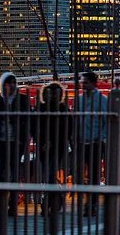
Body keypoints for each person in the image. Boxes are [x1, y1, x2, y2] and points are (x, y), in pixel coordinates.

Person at [0, 72, 31, 219]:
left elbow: (28, 120)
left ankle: (12, 206)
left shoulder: (23, 100)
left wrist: (25, 138)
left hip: (16, 141)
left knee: (14, 173)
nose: (12, 85)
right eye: (9, 82)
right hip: (1, 140)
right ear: (3, 84)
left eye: (14, 82)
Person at [34, 81, 71, 218]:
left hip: (56, 147)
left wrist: (49, 141)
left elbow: (66, 129)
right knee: (48, 174)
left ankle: (47, 204)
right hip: (45, 147)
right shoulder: (43, 109)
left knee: (48, 175)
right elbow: (35, 127)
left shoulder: (62, 109)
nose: (53, 97)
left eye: (55, 95)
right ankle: (57, 198)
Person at [76, 71, 107, 217]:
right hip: (81, 141)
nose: (83, 85)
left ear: (93, 83)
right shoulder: (79, 100)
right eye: (82, 82)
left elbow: (107, 122)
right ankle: (88, 202)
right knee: (83, 174)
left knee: (93, 174)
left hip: (95, 142)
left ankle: (91, 203)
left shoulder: (102, 100)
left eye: (85, 82)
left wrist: (101, 137)